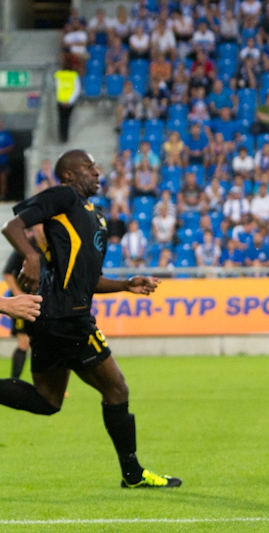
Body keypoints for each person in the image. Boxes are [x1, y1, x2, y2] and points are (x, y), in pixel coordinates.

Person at [0, 149, 181, 488]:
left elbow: (88, 280)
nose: (97, 172)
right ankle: (133, 474)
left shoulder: (94, 216)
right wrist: (31, 257)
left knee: (48, 400)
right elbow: (12, 225)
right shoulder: (64, 196)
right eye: (88, 166)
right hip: (70, 319)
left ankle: (133, 474)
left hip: (51, 317)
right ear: (68, 175)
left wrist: (126, 285)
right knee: (116, 390)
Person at [2, 225, 46, 377]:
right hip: (21, 302)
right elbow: (8, 273)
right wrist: (17, 294)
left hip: (40, 301)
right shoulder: (25, 246)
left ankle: (47, 385)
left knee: (44, 343)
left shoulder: (52, 246)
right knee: (24, 342)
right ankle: (14, 381)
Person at [53, 57, 81, 143]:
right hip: (67, 101)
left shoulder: (59, 74)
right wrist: (70, 100)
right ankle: (64, 137)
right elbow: (77, 89)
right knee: (65, 120)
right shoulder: (73, 75)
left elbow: (57, 87)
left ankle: (63, 137)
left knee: (63, 120)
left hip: (63, 101)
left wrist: (65, 100)